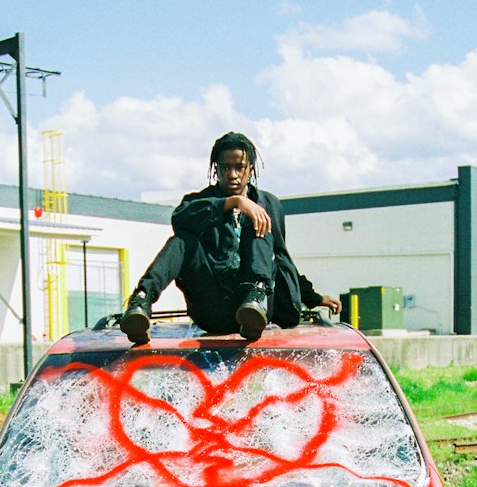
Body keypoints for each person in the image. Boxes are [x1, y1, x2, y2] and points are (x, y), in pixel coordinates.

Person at [120, 131, 340, 344]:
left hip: (256, 308)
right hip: (213, 306)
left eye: (239, 167)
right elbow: (180, 219)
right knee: (181, 241)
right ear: (216, 169)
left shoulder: (269, 204)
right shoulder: (200, 202)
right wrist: (233, 203)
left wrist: (313, 298)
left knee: (259, 224)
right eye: (226, 167)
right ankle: (141, 300)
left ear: (250, 169)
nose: (232, 174)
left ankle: (257, 298)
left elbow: (281, 258)